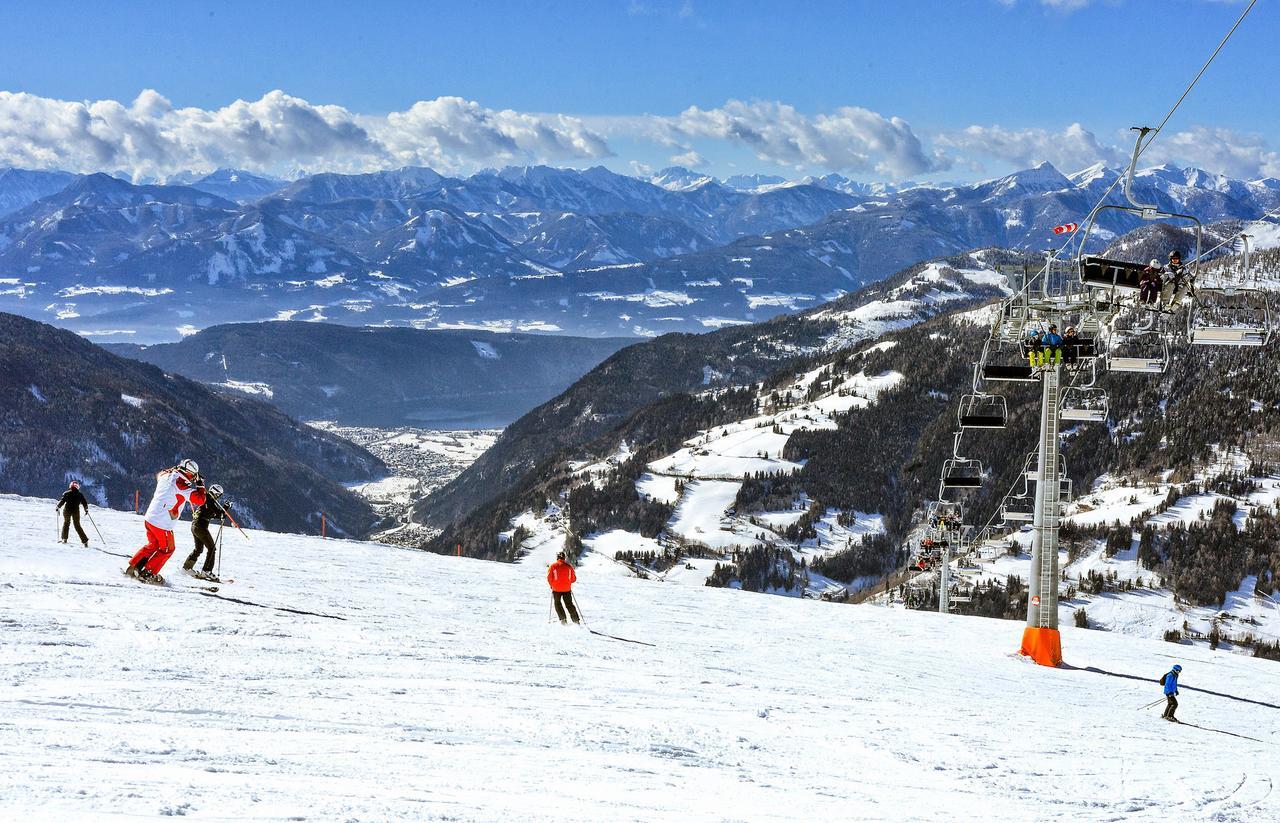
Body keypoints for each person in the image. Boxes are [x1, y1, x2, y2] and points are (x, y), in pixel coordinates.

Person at [126, 459, 207, 584]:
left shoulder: (166, 475)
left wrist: (173, 469)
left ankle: (133, 567)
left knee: (153, 544)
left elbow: (159, 474)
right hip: (162, 523)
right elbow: (200, 500)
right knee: (168, 549)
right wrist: (200, 485)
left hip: (150, 518)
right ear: (188, 473)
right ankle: (148, 573)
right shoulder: (182, 485)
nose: (192, 479)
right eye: (193, 475)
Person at [183, 483, 230, 581]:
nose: (218, 497)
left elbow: (216, 514)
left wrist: (223, 511)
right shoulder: (209, 500)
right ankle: (206, 570)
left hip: (195, 526)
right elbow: (219, 514)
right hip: (201, 527)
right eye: (218, 495)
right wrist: (225, 508)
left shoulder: (207, 499)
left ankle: (187, 568)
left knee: (199, 548)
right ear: (215, 493)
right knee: (212, 548)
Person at [547, 550, 580, 624]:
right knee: (569, 604)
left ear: (557, 558)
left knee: (557, 603)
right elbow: (573, 579)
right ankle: (576, 620)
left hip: (556, 589)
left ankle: (563, 620)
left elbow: (549, 578)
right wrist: (567, 582)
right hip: (567, 589)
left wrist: (552, 585)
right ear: (564, 558)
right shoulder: (569, 567)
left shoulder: (553, 566)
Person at [56, 480, 90, 547]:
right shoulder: (80, 494)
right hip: (76, 511)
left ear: (70, 486)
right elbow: (84, 502)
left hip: (67, 510)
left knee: (66, 523)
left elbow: (62, 501)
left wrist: (58, 507)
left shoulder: (66, 493)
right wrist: (86, 509)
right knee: (77, 525)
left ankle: (64, 539)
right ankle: (85, 541)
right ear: (77, 487)